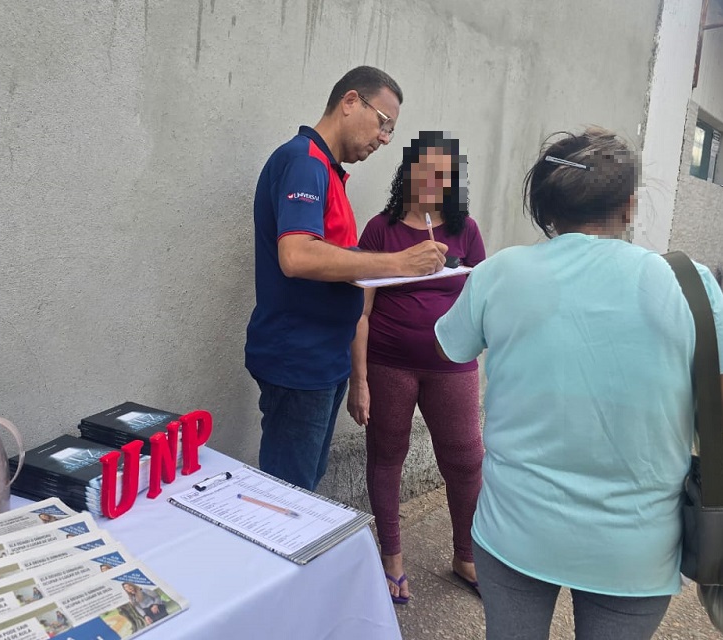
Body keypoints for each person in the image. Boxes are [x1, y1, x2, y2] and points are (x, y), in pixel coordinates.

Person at [434, 127, 723, 639]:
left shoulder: (499, 273)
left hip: (516, 530)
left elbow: (449, 346)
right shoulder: (691, 284)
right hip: (636, 549)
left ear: (546, 208)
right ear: (630, 206)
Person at [245, 66, 449, 491]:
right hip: (298, 360)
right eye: (384, 123)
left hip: (323, 359)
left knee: (305, 489)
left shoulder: (328, 171)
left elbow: (334, 260)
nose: (385, 139)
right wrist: (398, 263)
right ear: (351, 102)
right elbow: (297, 256)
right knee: (289, 497)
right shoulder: (304, 162)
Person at [348, 132, 485, 605]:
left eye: (443, 175)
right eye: (424, 170)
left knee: (466, 460)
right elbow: (360, 311)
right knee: (387, 455)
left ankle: (466, 555)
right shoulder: (379, 231)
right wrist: (359, 380)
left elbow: (480, 297)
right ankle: (392, 559)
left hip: (452, 365)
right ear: (406, 173)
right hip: (389, 363)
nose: (432, 181)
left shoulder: (464, 231)